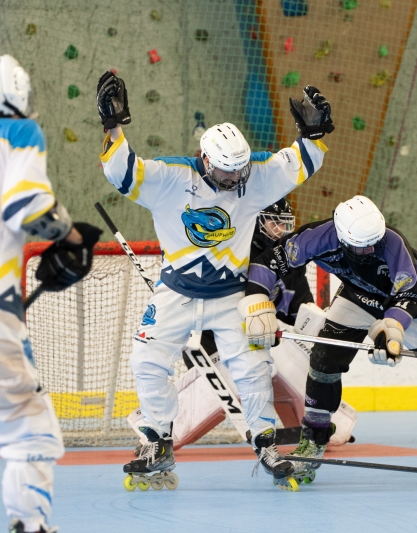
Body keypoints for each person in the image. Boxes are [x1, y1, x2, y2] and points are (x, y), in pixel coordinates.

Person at [95, 71, 334, 492]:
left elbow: (296, 164)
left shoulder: (252, 174)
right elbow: (123, 174)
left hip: (230, 297)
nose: (235, 180)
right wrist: (112, 127)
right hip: (175, 293)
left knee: (253, 368)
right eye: (227, 172)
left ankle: (266, 444)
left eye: (240, 170)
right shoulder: (170, 178)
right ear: (205, 159)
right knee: (146, 362)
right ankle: (157, 441)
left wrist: (313, 134)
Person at [241, 195, 417, 484]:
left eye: (374, 241)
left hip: (412, 301)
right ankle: (313, 444)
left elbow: (407, 294)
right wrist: (256, 301)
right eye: (361, 244)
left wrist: (391, 330)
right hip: (357, 296)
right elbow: (269, 262)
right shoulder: (316, 237)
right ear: (342, 237)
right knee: (323, 360)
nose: (370, 248)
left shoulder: (392, 243)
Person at [0, 55, 102, 533]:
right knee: (30, 426)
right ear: (18, 95)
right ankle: (29, 524)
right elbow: (28, 208)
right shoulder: (18, 134)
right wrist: (71, 236)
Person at [127, 198, 356, 451]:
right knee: (248, 362)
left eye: (285, 222)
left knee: (293, 366)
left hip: (264, 345)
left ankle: (317, 426)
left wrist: (314, 324)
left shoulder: (292, 263)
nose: (281, 228)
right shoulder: (235, 258)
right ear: (257, 222)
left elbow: (298, 317)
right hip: (216, 346)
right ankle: (157, 434)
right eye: (274, 222)